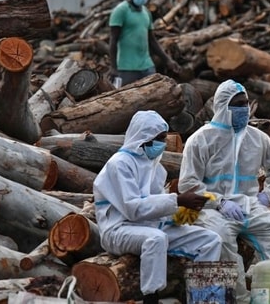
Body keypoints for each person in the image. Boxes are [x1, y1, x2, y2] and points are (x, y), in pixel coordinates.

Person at [178, 79, 270, 304]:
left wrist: (267, 196)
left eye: (246, 104)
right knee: (222, 241)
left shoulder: (257, 137)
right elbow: (189, 184)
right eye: (238, 104)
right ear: (223, 106)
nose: (244, 109)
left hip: (250, 204)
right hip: (211, 207)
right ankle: (240, 300)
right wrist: (219, 202)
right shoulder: (201, 140)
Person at [93, 110, 222, 304]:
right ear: (143, 137)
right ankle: (151, 297)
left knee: (210, 240)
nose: (162, 143)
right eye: (159, 138)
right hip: (118, 229)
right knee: (156, 239)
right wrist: (177, 201)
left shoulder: (154, 165)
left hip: (151, 225)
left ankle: (204, 298)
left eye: (164, 138)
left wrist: (179, 215)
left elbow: (156, 206)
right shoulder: (119, 164)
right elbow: (133, 209)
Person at [109, 0, 181, 86]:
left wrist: (168, 60)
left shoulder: (146, 12)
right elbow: (113, 40)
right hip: (126, 68)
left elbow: (152, 41)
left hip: (147, 67)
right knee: (127, 98)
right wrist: (113, 67)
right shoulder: (121, 11)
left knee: (154, 94)